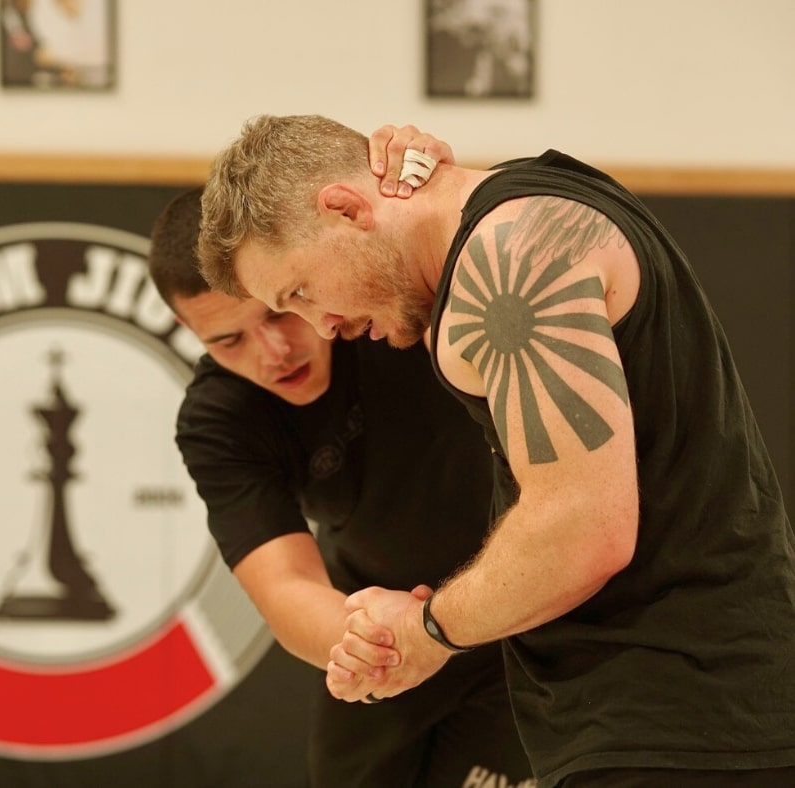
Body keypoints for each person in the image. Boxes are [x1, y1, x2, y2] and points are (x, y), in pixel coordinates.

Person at [196, 114, 795, 787]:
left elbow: (582, 529)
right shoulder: (529, 204)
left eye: (299, 293)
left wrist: (424, 631)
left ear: (343, 208)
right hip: (667, 709)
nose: (321, 324)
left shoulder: (507, 256)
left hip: (677, 717)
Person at [147, 127, 533, 788]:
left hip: (518, 611)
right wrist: (375, 642)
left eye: (283, 311)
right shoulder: (220, 418)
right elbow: (287, 586)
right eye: (228, 340)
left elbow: (474, 218)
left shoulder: (389, 302)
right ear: (190, 334)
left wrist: (425, 169)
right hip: (377, 625)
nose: (273, 353)